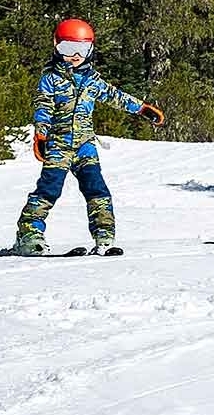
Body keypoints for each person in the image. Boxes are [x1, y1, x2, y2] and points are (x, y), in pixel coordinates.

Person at [11, 18, 164, 256]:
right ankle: (29, 236)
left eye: (80, 50)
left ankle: (104, 236)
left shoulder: (92, 81)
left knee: (96, 188)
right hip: (58, 145)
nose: (74, 56)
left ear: (90, 50)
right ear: (56, 46)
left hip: (84, 146)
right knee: (49, 189)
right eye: (66, 49)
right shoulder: (50, 79)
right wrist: (41, 135)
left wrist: (142, 108)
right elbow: (43, 108)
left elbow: (116, 96)